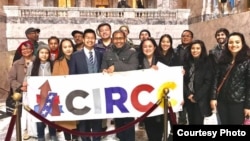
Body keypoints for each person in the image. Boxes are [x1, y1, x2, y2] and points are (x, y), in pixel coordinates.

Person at [101, 30, 138, 141]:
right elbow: (102, 67)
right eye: (116, 38)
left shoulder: (132, 52)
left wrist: (115, 66)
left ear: (125, 39)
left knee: (128, 121)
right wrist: (103, 70)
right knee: (118, 122)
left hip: (128, 91)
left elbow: (133, 67)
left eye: (121, 38)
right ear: (112, 39)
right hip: (113, 91)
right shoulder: (107, 52)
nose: (118, 41)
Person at [69, 28, 103, 141]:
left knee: (97, 121)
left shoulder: (100, 54)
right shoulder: (75, 56)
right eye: (87, 38)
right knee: (84, 122)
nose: (90, 40)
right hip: (81, 93)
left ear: (95, 40)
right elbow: (72, 75)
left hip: (97, 92)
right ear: (83, 39)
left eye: (92, 38)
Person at [210, 32, 250, 124]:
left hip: (238, 102)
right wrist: (213, 98)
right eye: (231, 42)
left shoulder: (247, 61)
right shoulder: (222, 60)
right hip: (222, 101)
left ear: (242, 44)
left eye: (237, 42)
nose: (234, 45)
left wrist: (248, 106)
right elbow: (215, 80)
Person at [25, 44, 58, 141]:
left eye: (46, 53)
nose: (44, 55)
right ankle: (41, 137)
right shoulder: (32, 65)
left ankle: (53, 135)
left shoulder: (53, 65)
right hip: (38, 96)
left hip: (51, 94)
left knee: (51, 116)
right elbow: (27, 78)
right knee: (39, 117)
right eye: (42, 52)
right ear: (38, 54)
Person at [52, 38, 78, 141]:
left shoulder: (78, 58)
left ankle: (76, 138)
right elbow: (54, 79)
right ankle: (68, 139)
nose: (68, 49)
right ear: (61, 49)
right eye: (65, 47)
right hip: (64, 95)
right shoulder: (57, 62)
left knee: (77, 119)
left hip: (78, 93)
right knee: (66, 120)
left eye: (70, 46)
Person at [8, 40, 35, 140]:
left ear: (32, 49)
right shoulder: (16, 63)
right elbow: (11, 79)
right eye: (23, 49)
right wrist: (20, 86)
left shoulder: (37, 60)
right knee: (24, 114)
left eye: (28, 48)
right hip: (22, 94)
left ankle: (36, 131)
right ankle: (25, 131)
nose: (26, 51)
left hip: (35, 92)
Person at [137, 37, 163, 141]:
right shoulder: (137, 60)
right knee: (149, 127)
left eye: (150, 46)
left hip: (160, 100)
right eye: (145, 46)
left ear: (155, 47)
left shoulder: (161, 60)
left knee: (159, 129)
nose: (147, 48)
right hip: (145, 100)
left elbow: (170, 74)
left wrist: (179, 72)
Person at [183, 40, 213, 124]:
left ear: (202, 50)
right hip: (188, 97)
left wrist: (196, 97)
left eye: (197, 48)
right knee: (190, 120)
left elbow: (208, 82)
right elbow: (183, 81)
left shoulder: (207, 62)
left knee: (198, 122)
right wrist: (188, 94)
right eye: (193, 48)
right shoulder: (186, 62)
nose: (195, 50)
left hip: (200, 98)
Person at [175, 29, 194, 125]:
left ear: (191, 38)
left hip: (190, 81)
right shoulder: (176, 50)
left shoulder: (194, 49)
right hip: (179, 82)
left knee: (191, 111)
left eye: (188, 36)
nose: (185, 38)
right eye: (183, 36)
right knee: (181, 108)